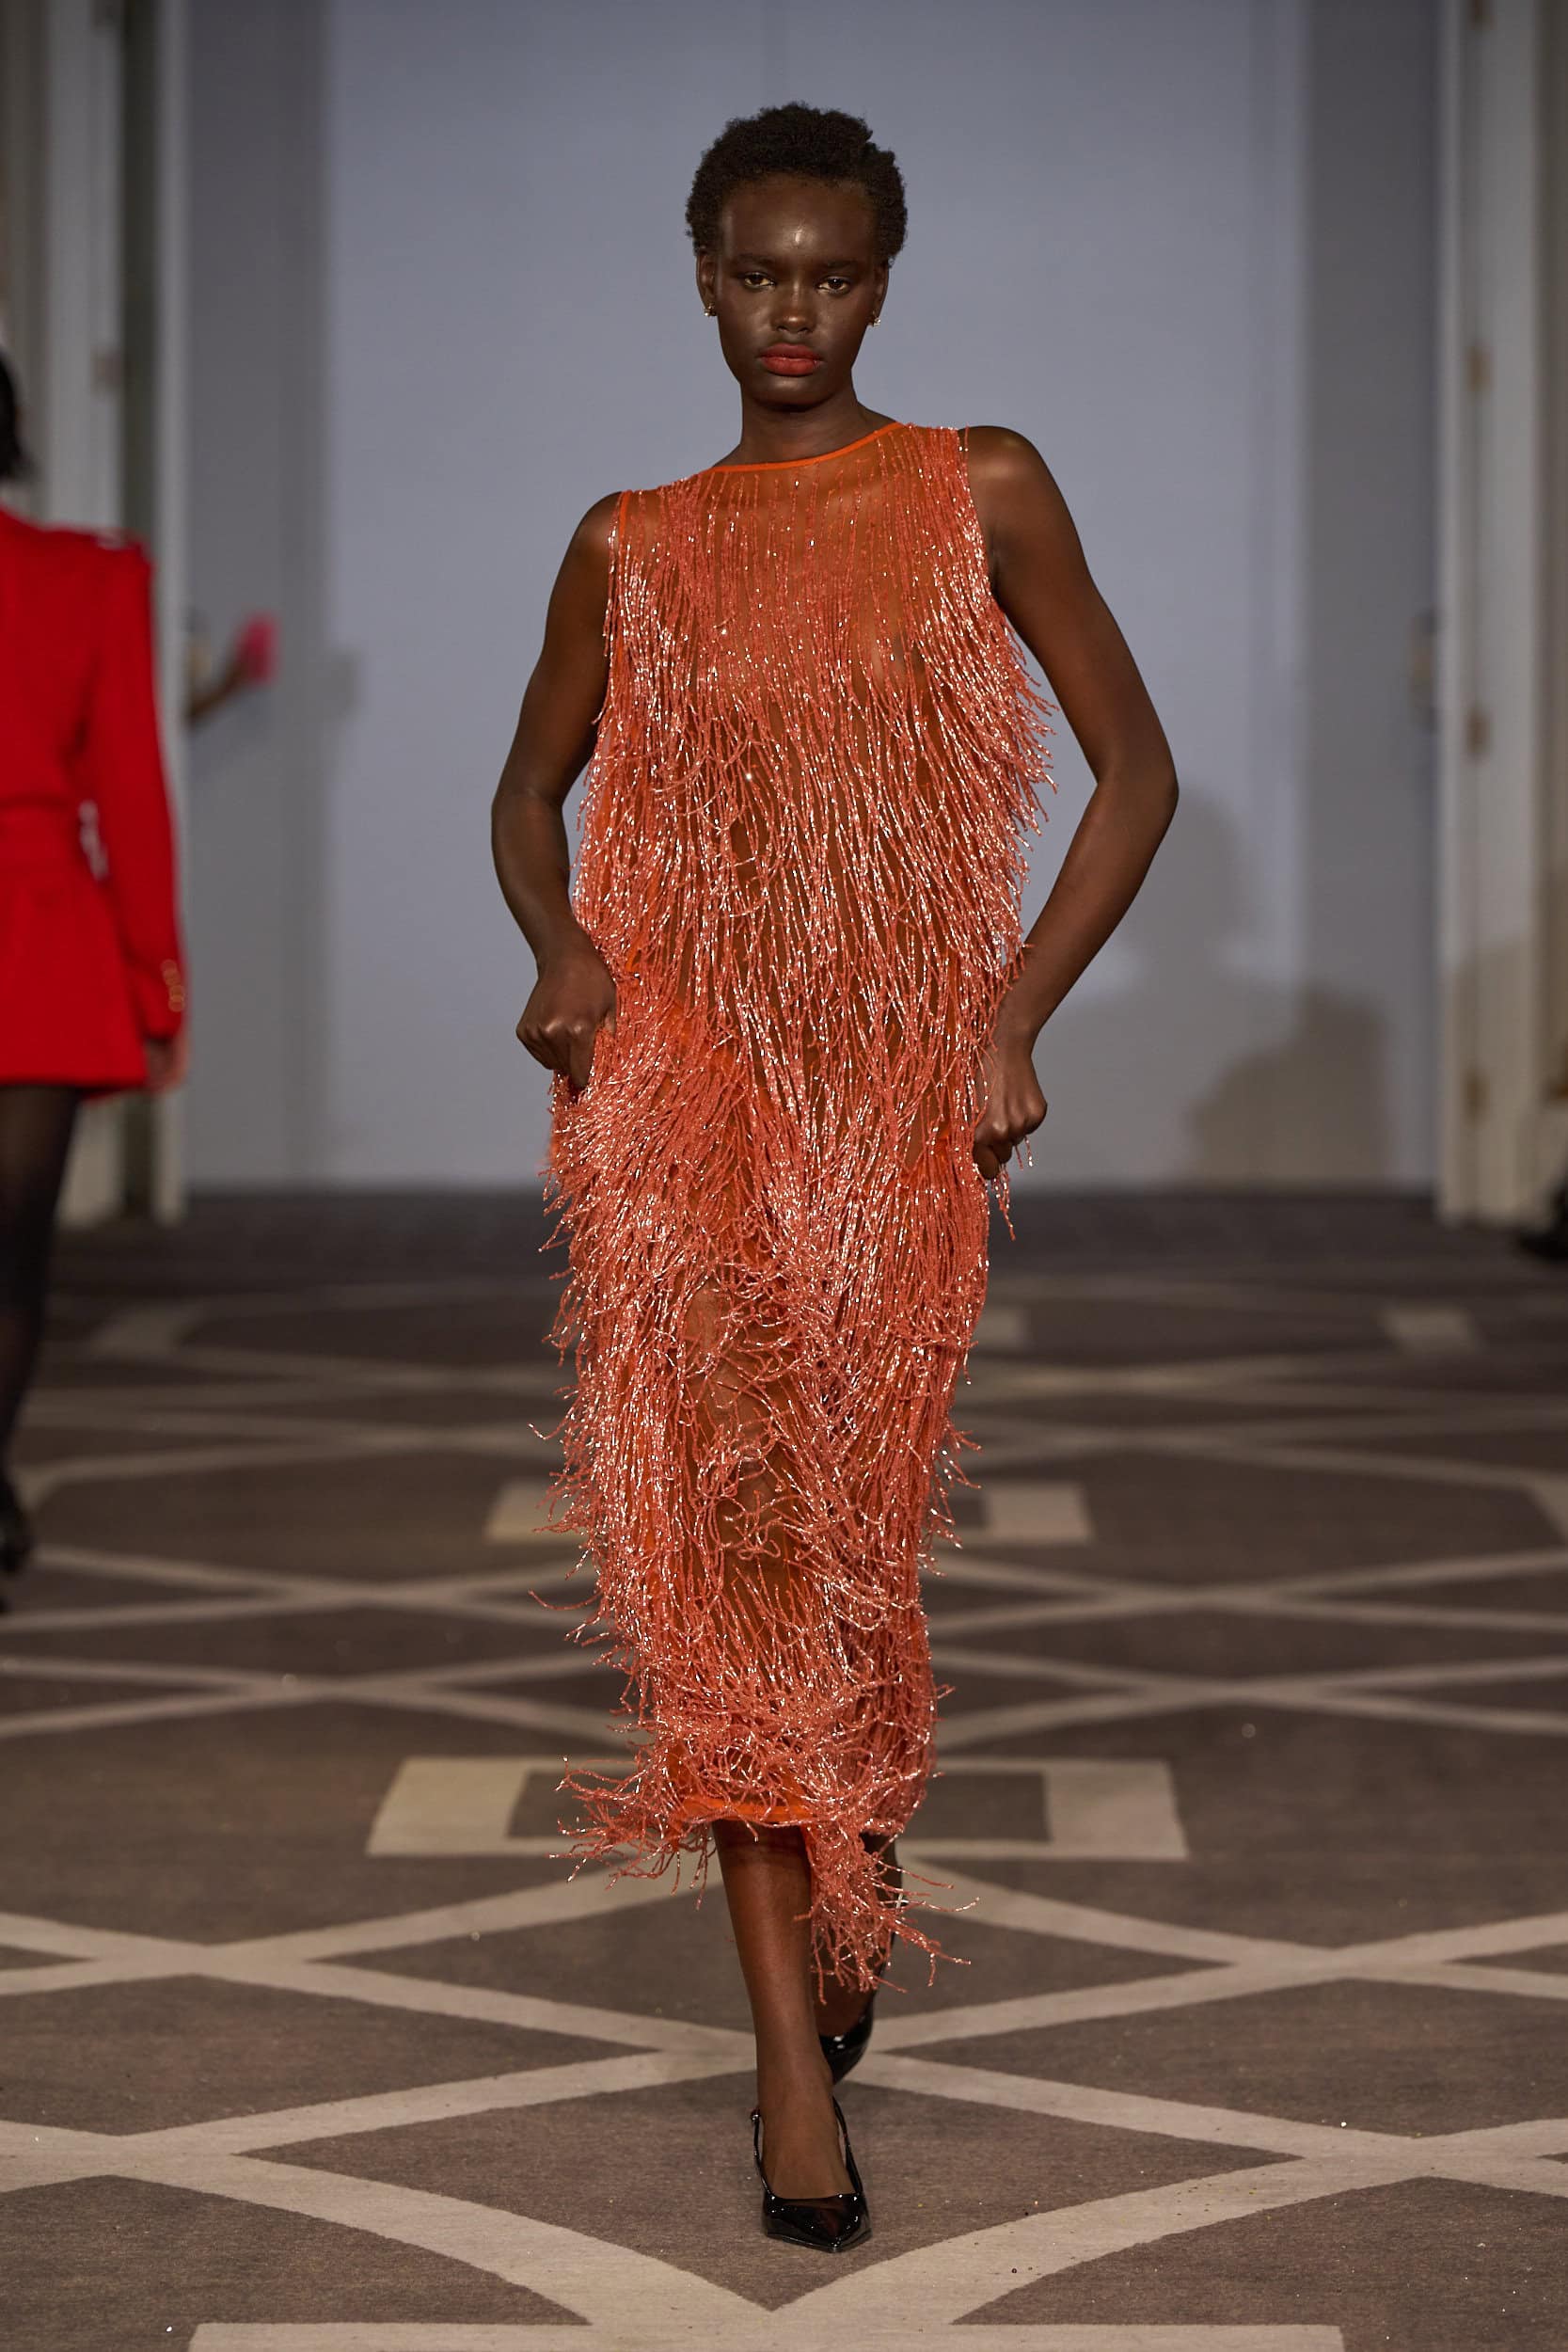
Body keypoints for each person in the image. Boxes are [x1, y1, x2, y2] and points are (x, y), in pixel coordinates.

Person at [491, 104, 1177, 2251]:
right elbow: (527, 789)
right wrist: (564, 950)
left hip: (893, 1105)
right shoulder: (631, 540)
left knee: (857, 1555)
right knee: (734, 1562)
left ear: (883, 280)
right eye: (760, 272)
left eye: (835, 275)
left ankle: (851, 1851)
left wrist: (1013, 1015)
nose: (795, 312)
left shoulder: (980, 486)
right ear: (703, 277)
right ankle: (790, 2066)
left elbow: (1137, 772)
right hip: (684, 1089)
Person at [0, 353, 187, 1594]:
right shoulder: (87, 576)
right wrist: (155, 982)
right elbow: (129, 788)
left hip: (41, 925)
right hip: (38, 936)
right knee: (12, 1254)